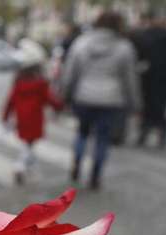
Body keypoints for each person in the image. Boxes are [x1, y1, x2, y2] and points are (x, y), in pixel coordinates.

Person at [60, 11, 140, 190]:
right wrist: (135, 103)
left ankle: (76, 164)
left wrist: (66, 93)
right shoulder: (124, 47)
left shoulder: (82, 43)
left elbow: (71, 72)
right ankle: (95, 175)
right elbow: (130, 79)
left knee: (82, 132)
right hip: (111, 99)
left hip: (84, 96)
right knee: (103, 138)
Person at [3, 39, 63, 185]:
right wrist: (59, 105)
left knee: (28, 143)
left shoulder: (19, 81)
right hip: (35, 117)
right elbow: (49, 99)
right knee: (29, 144)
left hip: (21, 117)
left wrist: (5, 115)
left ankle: (30, 165)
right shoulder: (41, 83)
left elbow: (11, 100)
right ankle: (20, 166)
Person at [133, 12, 166, 148]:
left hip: (148, 79)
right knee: (162, 108)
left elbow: (139, 58)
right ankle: (161, 135)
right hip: (164, 80)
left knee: (147, 107)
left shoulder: (145, 37)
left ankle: (144, 133)